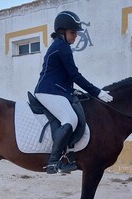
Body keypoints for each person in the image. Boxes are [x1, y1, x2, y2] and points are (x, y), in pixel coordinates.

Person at [34, 11, 113, 174]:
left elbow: (64, 76)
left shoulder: (60, 46)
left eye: (75, 32)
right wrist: (97, 92)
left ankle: (67, 155)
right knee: (70, 119)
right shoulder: (62, 48)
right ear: (62, 32)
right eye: (72, 32)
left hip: (57, 90)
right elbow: (74, 74)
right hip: (48, 91)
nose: (75, 36)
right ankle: (54, 161)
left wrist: (72, 91)